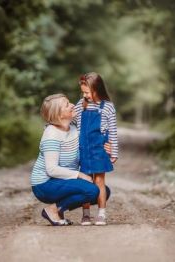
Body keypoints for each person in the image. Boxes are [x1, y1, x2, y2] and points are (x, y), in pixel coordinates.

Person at [30, 93, 110, 226]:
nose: (73, 105)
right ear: (58, 114)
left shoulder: (74, 129)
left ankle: (57, 210)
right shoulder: (51, 134)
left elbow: (90, 145)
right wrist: (80, 175)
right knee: (92, 190)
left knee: (103, 191)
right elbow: (52, 170)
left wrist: (106, 146)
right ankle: (53, 210)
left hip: (60, 180)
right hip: (44, 184)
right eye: (67, 105)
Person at [74, 72, 118, 226]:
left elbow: (112, 131)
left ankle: (101, 213)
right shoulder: (81, 105)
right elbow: (75, 125)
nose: (85, 95)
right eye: (83, 92)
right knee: (86, 182)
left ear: (97, 89)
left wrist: (114, 151)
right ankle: (86, 214)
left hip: (99, 149)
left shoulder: (108, 107)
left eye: (87, 92)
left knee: (99, 180)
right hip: (83, 148)